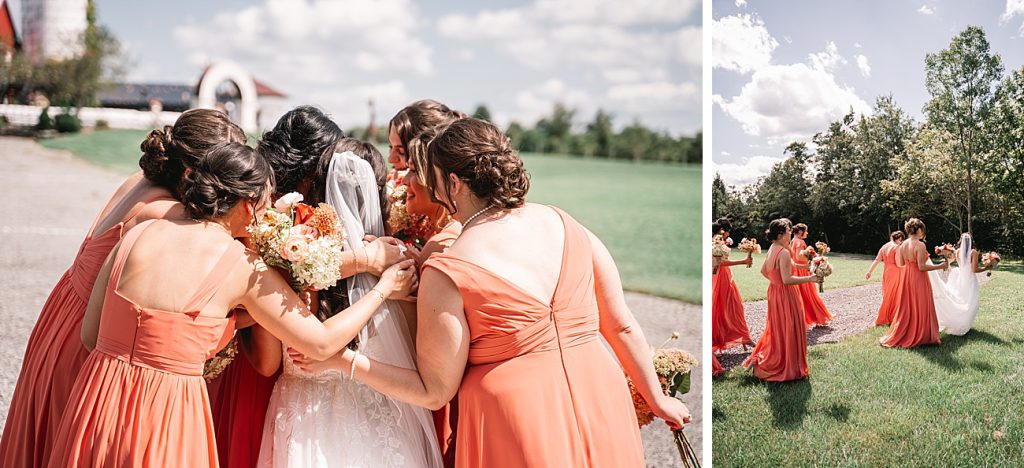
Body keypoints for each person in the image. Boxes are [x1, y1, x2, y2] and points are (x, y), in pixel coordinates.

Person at [292, 118, 689, 467]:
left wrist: (343, 362)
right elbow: (620, 326)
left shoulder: (448, 268)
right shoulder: (568, 225)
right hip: (602, 397)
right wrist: (657, 399)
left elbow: (434, 390)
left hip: (518, 422)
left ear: (453, 182)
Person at [47, 142, 417, 467]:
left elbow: (91, 335)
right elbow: (318, 343)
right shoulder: (242, 266)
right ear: (247, 204)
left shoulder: (140, 231)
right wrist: (384, 288)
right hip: (168, 410)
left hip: (94, 400)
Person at [0, 109, 246, 468]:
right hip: (89, 329)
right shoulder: (166, 213)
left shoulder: (137, 180)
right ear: (193, 173)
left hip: (64, 309)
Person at [742, 219, 820, 382]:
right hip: (786, 294)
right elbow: (787, 279)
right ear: (781, 234)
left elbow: (765, 271)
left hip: (774, 292)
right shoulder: (783, 252)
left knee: (778, 327)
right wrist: (811, 278)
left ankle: (769, 358)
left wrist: (808, 267)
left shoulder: (773, 248)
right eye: (788, 231)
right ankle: (785, 365)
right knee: (789, 327)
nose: (790, 233)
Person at [880, 218, 947, 348]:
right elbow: (922, 267)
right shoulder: (920, 245)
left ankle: (907, 332)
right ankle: (923, 335)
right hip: (919, 278)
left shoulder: (902, 245)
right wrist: (940, 266)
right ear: (919, 229)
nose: (923, 232)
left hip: (907, 278)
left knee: (908, 306)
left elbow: (900, 264)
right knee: (921, 304)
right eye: (923, 229)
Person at [711, 218, 754, 352]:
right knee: (723, 308)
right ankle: (719, 340)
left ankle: (743, 337)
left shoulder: (718, 242)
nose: (728, 235)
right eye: (728, 232)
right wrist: (743, 261)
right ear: (723, 231)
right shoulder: (715, 243)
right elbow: (718, 263)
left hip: (725, 276)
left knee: (734, 306)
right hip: (720, 277)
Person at [789, 223, 832, 327]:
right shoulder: (799, 241)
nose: (807, 233)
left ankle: (805, 319)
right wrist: (813, 257)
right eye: (806, 231)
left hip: (796, 270)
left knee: (802, 296)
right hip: (802, 270)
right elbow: (799, 257)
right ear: (800, 232)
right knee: (810, 295)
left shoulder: (792, 241)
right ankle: (820, 318)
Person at [866, 231, 906, 326]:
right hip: (896, 272)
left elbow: (877, 260)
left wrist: (869, 271)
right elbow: (898, 264)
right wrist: (907, 265)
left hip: (887, 271)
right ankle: (886, 317)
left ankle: (890, 316)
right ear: (900, 239)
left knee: (888, 294)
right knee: (895, 294)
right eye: (902, 240)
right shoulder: (897, 247)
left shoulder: (884, 246)